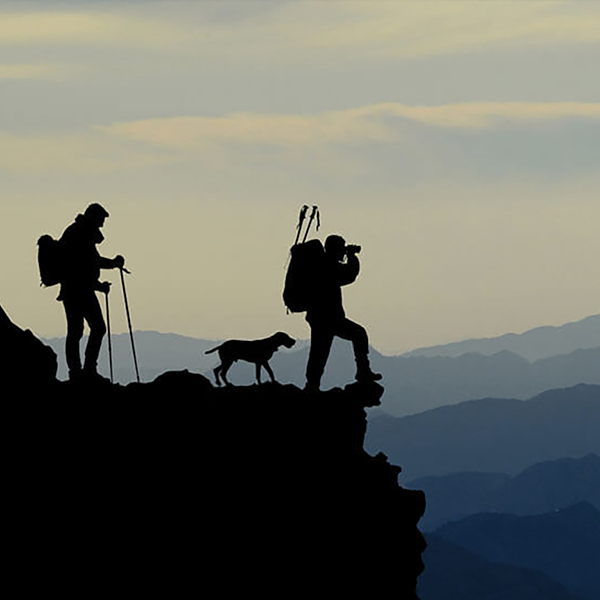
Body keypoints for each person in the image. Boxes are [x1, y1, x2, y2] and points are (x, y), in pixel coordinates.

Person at [305, 234, 381, 391]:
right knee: (356, 335)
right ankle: (362, 373)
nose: (343, 253)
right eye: (342, 249)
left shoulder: (320, 264)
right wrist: (352, 256)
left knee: (319, 352)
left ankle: (312, 385)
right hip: (328, 318)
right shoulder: (328, 265)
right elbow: (350, 274)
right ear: (335, 249)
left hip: (319, 317)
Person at [58, 203, 125, 381]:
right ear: (93, 218)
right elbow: (79, 269)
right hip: (77, 291)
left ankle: (81, 371)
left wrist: (112, 264)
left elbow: (91, 262)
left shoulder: (79, 232)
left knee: (80, 330)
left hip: (77, 291)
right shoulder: (80, 234)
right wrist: (99, 285)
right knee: (83, 330)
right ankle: (82, 371)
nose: (102, 225)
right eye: (101, 220)